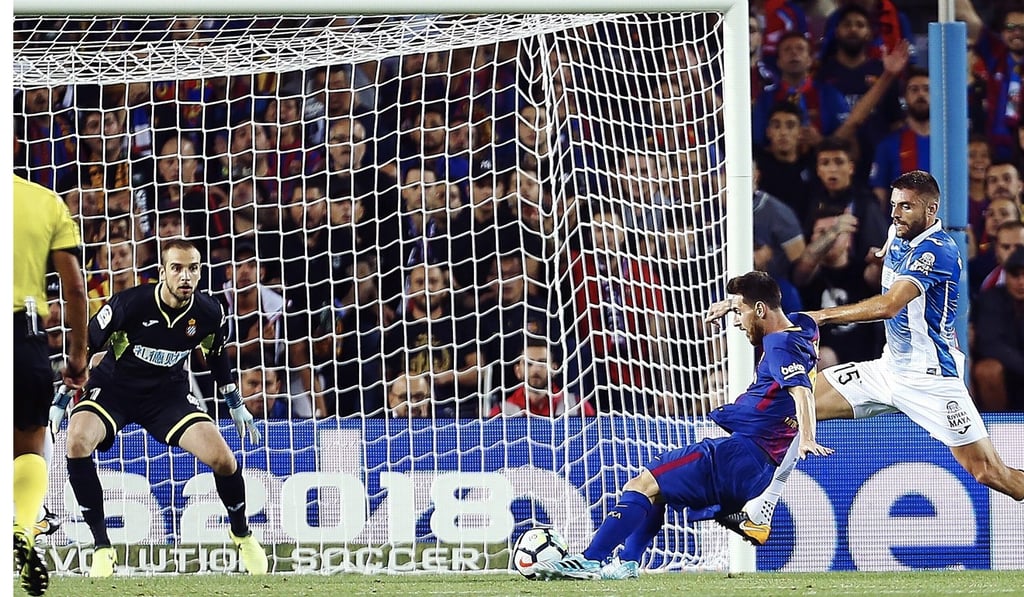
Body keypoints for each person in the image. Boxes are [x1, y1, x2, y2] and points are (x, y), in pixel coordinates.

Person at [718, 170, 1024, 547]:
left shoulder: (939, 251)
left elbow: (890, 305)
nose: (895, 213)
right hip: (887, 369)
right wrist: (878, 257)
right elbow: (888, 258)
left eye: (906, 206)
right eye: (894, 205)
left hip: (932, 379)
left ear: (931, 210)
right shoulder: (898, 232)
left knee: (989, 473)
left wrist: (823, 315)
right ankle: (760, 513)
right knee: (794, 403)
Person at [533, 271, 831, 580]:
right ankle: (627, 563)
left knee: (640, 485)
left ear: (759, 309)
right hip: (759, 468)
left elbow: (801, 391)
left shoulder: (779, 344)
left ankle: (589, 560)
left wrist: (807, 437)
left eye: (741, 312)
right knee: (656, 490)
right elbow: (816, 316)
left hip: (740, 454)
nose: (738, 322)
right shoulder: (804, 328)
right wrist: (730, 304)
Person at [53, 239, 269, 577]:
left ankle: (241, 534)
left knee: (224, 459)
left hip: (167, 396)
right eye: (177, 268)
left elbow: (216, 356)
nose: (185, 276)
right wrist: (63, 397)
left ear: (200, 272)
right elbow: (86, 346)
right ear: (162, 272)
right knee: (77, 441)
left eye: (192, 268)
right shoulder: (129, 304)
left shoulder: (210, 312)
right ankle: (102, 547)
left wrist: (234, 402)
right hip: (114, 389)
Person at [14, 174, 90, 596]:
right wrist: (77, 357)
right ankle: (25, 526)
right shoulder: (46, 202)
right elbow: (75, 288)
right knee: (29, 447)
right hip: (21, 334)